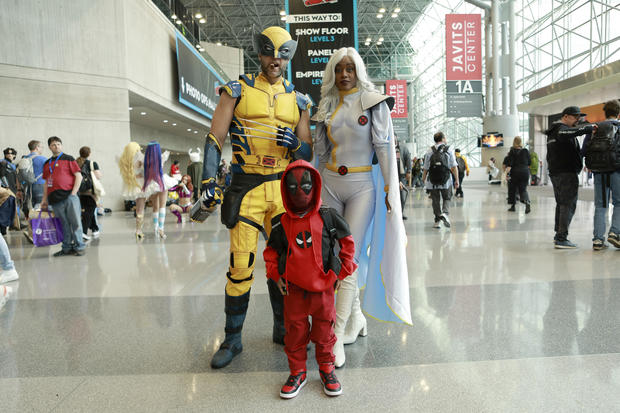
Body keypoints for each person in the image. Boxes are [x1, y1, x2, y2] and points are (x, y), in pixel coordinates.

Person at [198, 26, 313, 369]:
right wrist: (207, 178)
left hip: (282, 191)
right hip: (246, 187)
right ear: (258, 52)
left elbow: (306, 151)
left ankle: (284, 328)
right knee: (240, 265)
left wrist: (297, 146)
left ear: (289, 56)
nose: (274, 60)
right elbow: (215, 137)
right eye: (268, 52)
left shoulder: (300, 100)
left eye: (281, 54)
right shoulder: (236, 90)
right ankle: (232, 338)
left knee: (287, 267)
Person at [314, 47, 411, 368]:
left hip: (361, 188)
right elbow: (320, 152)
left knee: (348, 258)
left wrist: (389, 186)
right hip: (329, 184)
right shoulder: (326, 105)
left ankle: (335, 332)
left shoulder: (373, 102)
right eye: (339, 69)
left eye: (350, 69)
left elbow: (384, 147)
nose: (344, 75)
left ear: (358, 71)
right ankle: (354, 319)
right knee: (331, 257)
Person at [263, 160, 357, 398]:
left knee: (325, 332)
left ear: (315, 185)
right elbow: (270, 253)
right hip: (293, 291)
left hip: (323, 290)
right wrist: (276, 276)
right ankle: (298, 372)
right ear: (285, 189)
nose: (300, 192)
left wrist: (340, 272)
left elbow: (348, 245)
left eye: (305, 185)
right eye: (293, 187)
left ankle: (326, 368)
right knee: (294, 332)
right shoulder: (281, 223)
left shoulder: (329, 217)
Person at [545, 106, 596, 249]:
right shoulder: (560, 129)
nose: (577, 120)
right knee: (567, 204)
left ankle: (559, 235)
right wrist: (587, 128)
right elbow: (567, 132)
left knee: (562, 204)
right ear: (565, 116)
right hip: (565, 173)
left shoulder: (555, 131)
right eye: (575, 117)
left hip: (559, 172)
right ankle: (562, 237)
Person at [581, 100, 620, 250]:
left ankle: (598, 239)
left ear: (605, 113)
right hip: (617, 170)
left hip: (598, 171)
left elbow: (584, 150)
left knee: (600, 205)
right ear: (618, 113)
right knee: (618, 203)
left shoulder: (595, 128)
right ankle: (615, 233)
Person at [40, 136, 86, 256]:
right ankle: (66, 248)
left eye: (59, 144)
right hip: (54, 199)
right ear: (50, 147)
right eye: (54, 145)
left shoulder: (69, 159)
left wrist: (73, 193)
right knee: (63, 224)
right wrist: (44, 200)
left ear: (61, 145)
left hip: (69, 196)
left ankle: (79, 246)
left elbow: (78, 176)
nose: (57, 146)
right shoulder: (47, 163)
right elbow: (46, 182)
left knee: (75, 222)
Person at [422, 132, 459, 229]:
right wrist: (457, 180)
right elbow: (454, 167)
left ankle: (437, 220)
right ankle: (445, 213)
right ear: (442, 139)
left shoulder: (430, 150)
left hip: (432, 181)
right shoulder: (449, 149)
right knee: (447, 197)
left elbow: (425, 167)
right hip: (446, 180)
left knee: (435, 200)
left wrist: (423, 179)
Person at [76, 146, 101, 239]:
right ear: (89, 154)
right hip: (90, 191)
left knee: (87, 210)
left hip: (79, 191)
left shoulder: (76, 162)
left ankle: (95, 228)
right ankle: (84, 231)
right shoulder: (92, 163)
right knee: (88, 211)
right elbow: (98, 176)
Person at [505, 136, 532, 213]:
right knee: (523, 189)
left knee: (512, 189)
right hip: (525, 172)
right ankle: (527, 202)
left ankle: (513, 207)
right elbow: (529, 163)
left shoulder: (512, 151)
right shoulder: (525, 151)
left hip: (515, 172)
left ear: (514, 142)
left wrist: (506, 174)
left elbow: (509, 164)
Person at [21, 140, 47, 217]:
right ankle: (39, 226)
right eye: (41, 147)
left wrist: (19, 189)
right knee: (40, 207)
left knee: (31, 207)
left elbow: (18, 175)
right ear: (37, 147)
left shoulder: (24, 159)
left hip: (28, 186)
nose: (42, 149)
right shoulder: (43, 159)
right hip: (40, 185)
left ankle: (32, 225)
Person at [395, 136, 411, 219]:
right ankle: (394, 213)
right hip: (390, 176)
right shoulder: (388, 148)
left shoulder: (403, 149)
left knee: (402, 195)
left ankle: (401, 212)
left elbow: (408, 159)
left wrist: (409, 171)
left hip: (401, 176)